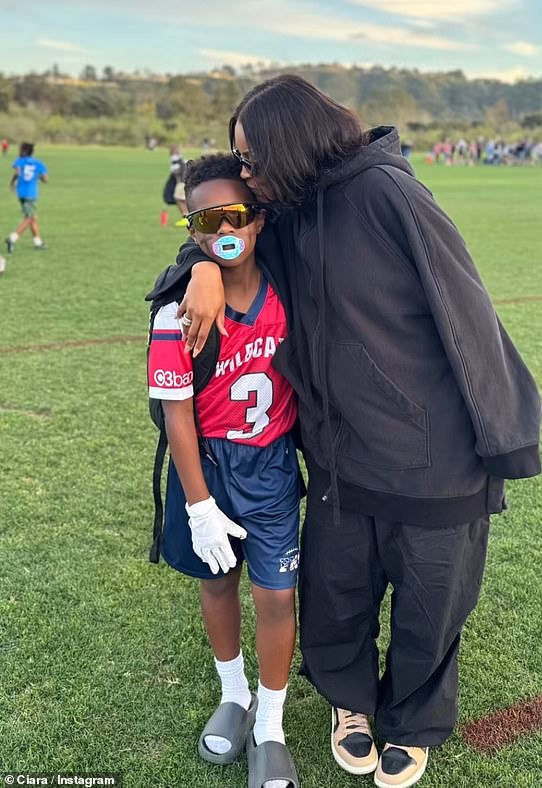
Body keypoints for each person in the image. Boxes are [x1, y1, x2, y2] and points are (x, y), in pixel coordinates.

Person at [174, 75, 542, 788]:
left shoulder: (388, 193)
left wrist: (504, 439)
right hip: (342, 456)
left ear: (290, 142)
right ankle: (352, 706)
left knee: (430, 606)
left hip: (435, 457)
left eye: (252, 156)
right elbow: (228, 239)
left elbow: (466, 312)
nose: (246, 172)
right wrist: (198, 268)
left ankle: (410, 721)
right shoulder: (288, 210)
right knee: (338, 592)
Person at [148, 154, 300, 788]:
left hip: (271, 468)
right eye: (204, 220)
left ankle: (271, 725)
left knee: (276, 594)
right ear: (191, 229)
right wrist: (199, 505)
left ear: (259, 220)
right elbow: (176, 415)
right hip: (209, 469)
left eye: (233, 215)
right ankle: (233, 694)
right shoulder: (176, 313)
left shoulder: (289, 294)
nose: (220, 229)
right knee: (217, 585)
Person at [5, 142, 48, 253]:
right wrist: (38, 176)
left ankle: (38, 242)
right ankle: (12, 238)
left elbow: (17, 173)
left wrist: (12, 183)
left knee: (32, 217)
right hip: (31, 193)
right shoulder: (39, 163)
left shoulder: (19, 161)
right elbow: (45, 180)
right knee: (29, 218)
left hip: (21, 193)